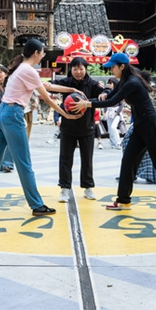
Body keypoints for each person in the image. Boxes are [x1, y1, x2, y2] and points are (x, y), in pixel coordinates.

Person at [73, 52, 156, 216]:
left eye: (113, 67)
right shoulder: (124, 81)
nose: (111, 70)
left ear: (122, 66)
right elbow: (110, 96)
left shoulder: (132, 82)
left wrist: (87, 104)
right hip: (139, 126)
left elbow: (112, 102)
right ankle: (123, 200)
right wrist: (90, 99)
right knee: (128, 162)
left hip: (151, 126)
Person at [0, 38, 81, 217]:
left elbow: (47, 87)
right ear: (36, 53)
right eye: (42, 52)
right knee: (24, 162)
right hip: (13, 115)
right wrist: (66, 115)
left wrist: (71, 90)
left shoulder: (20, 68)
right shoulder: (29, 71)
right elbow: (47, 97)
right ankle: (37, 205)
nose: (43, 55)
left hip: (2, 113)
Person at [49, 56, 103, 203]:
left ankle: (88, 187)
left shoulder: (92, 84)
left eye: (81, 69)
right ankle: (64, 189)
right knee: (65, 159)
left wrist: (102, 94)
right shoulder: (66, 83)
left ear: (85, 69)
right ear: (71, 69)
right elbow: (50, 85)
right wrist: (47, 84)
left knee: (87, 159)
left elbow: (104, 93)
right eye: (75, 69)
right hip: (68, 128)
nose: (78, 72)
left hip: (87, 128)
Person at [103, 77, 125, 150]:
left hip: (116, 111)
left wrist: (117, 112)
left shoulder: (118, 92)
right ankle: (113, 143)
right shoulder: (107, 92)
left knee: (113, 127)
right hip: (109, 111)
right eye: (109, 83)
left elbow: (121, 104)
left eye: (111, 83)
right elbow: (105, 102)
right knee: (110, 129)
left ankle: (118, 143)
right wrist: (105, 111)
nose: (109, 84)